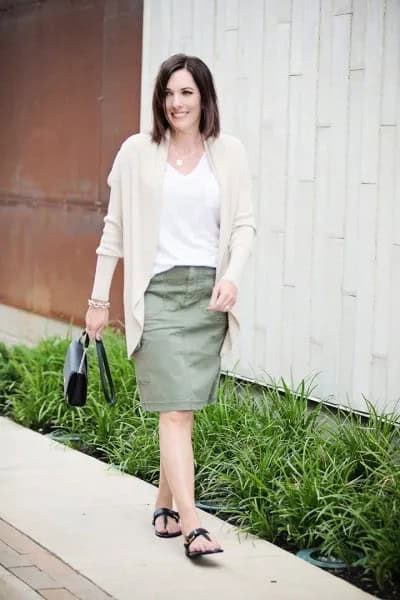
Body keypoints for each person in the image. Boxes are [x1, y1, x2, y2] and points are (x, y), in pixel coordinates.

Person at [85, 53, 256, 559]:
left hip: (207, 296)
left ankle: (163, 501)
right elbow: (113, 230)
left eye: (186, 92)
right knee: (175, 411)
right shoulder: (137, 151)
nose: (176, 102)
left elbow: (244, 224)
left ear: (204, 97)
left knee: (182, 410)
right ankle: (193, 524)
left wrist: (232, 277)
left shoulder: (229, 153)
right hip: (156, 295)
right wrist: (98, 299)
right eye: (168, 93)